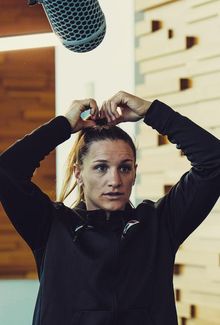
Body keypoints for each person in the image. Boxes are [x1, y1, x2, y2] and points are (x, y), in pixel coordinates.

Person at [0, 91, 219, 325]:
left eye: (124, 168)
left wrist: (151, 111)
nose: (114, 180)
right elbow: (7, 171)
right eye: (101, 168)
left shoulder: (160, 224)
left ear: (134, 172)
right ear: (79, 173)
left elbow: (214, 161)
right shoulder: (51, 226)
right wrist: (63, 125)